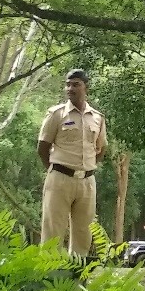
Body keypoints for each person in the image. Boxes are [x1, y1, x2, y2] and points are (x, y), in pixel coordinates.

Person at [37, 69, 107, 256]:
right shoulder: (57, 114)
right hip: (60, 179)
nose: (70, 89)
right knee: (53, 230)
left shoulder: (97, 117)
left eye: (76, 85)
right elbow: (42, 147)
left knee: (84, 232)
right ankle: (49, 272)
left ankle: (78, 272)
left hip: (87, 182)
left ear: (86, 88)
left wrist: (87, 168)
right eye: (68, 85)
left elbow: (101, 148)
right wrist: (55, 171)